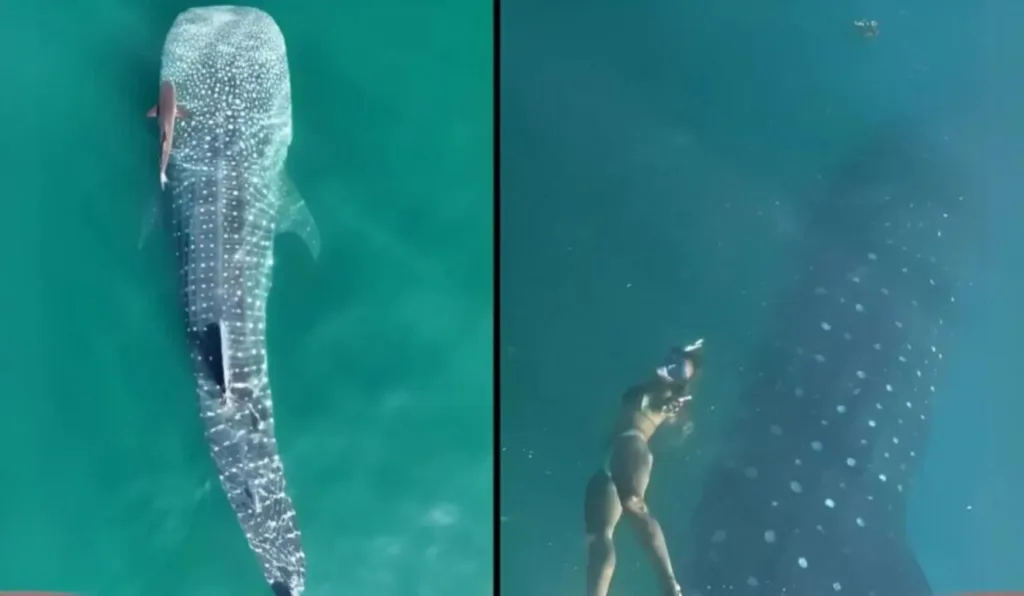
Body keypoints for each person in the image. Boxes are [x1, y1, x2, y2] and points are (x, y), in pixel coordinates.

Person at [584, 339, 704, 596]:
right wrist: (688, 351)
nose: (670, 368)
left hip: (632, 444)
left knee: (632, 502)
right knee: (599, 536)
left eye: (678, 370)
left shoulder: (671, 397)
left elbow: (677, 413)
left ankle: (669, 584)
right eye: (671, 361)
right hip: (610, 455)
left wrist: (675, 410)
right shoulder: (648, 386)